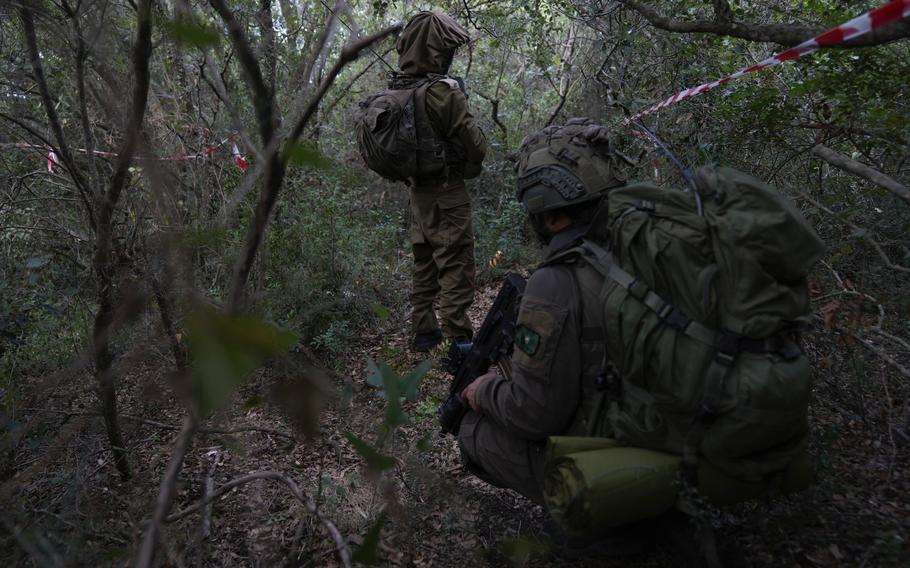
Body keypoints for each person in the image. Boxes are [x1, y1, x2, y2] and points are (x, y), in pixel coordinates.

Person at [456, 118, 627, 503]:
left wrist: (484, 390)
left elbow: (535, 414)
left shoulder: (554, 281)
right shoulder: (636, 247)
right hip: (676, 436)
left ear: (549, 215)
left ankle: (599, 528)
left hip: (618, 458)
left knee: (470, 428)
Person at [392, 11, 488, 352]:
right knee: (456, 264)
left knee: (425, 264)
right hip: (448, 192)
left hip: (418, 194)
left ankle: (423, 332)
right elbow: (477, 145)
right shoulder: (442, 92)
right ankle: (459, 343)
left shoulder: (399, 90)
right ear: (438, 52)